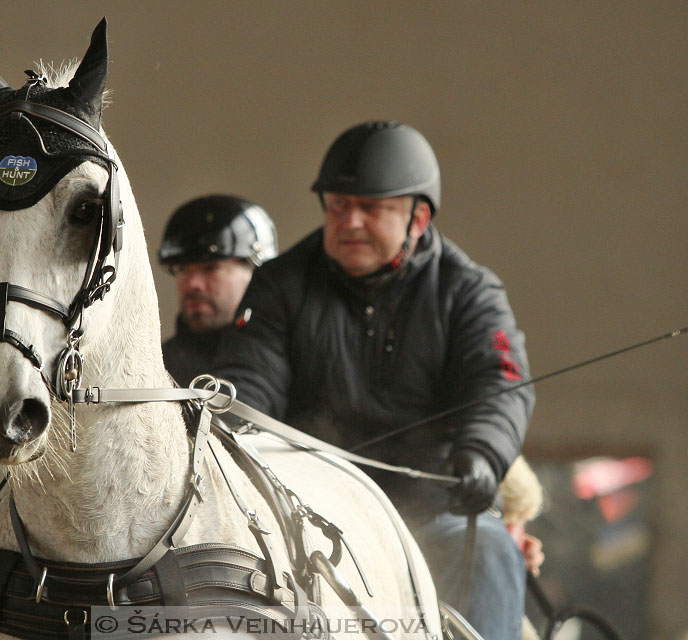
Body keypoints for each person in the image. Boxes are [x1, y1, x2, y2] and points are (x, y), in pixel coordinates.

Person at [213, 121, 534, 640]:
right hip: (311, 517)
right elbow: (249, 382)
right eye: (338, 205)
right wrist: (233, 431)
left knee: (495, 552)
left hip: (433, 514)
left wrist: (483, 453)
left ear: (418, 216)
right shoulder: (278, 285)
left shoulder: (470, 292)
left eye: (373, 208)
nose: (351, 222)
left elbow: (498, 381)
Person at [158, 194, 278, 385]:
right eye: (182, 270)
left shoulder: (293, 361)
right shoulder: (154, 371)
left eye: (210, 268)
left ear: (256, 273)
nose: (192, 284)